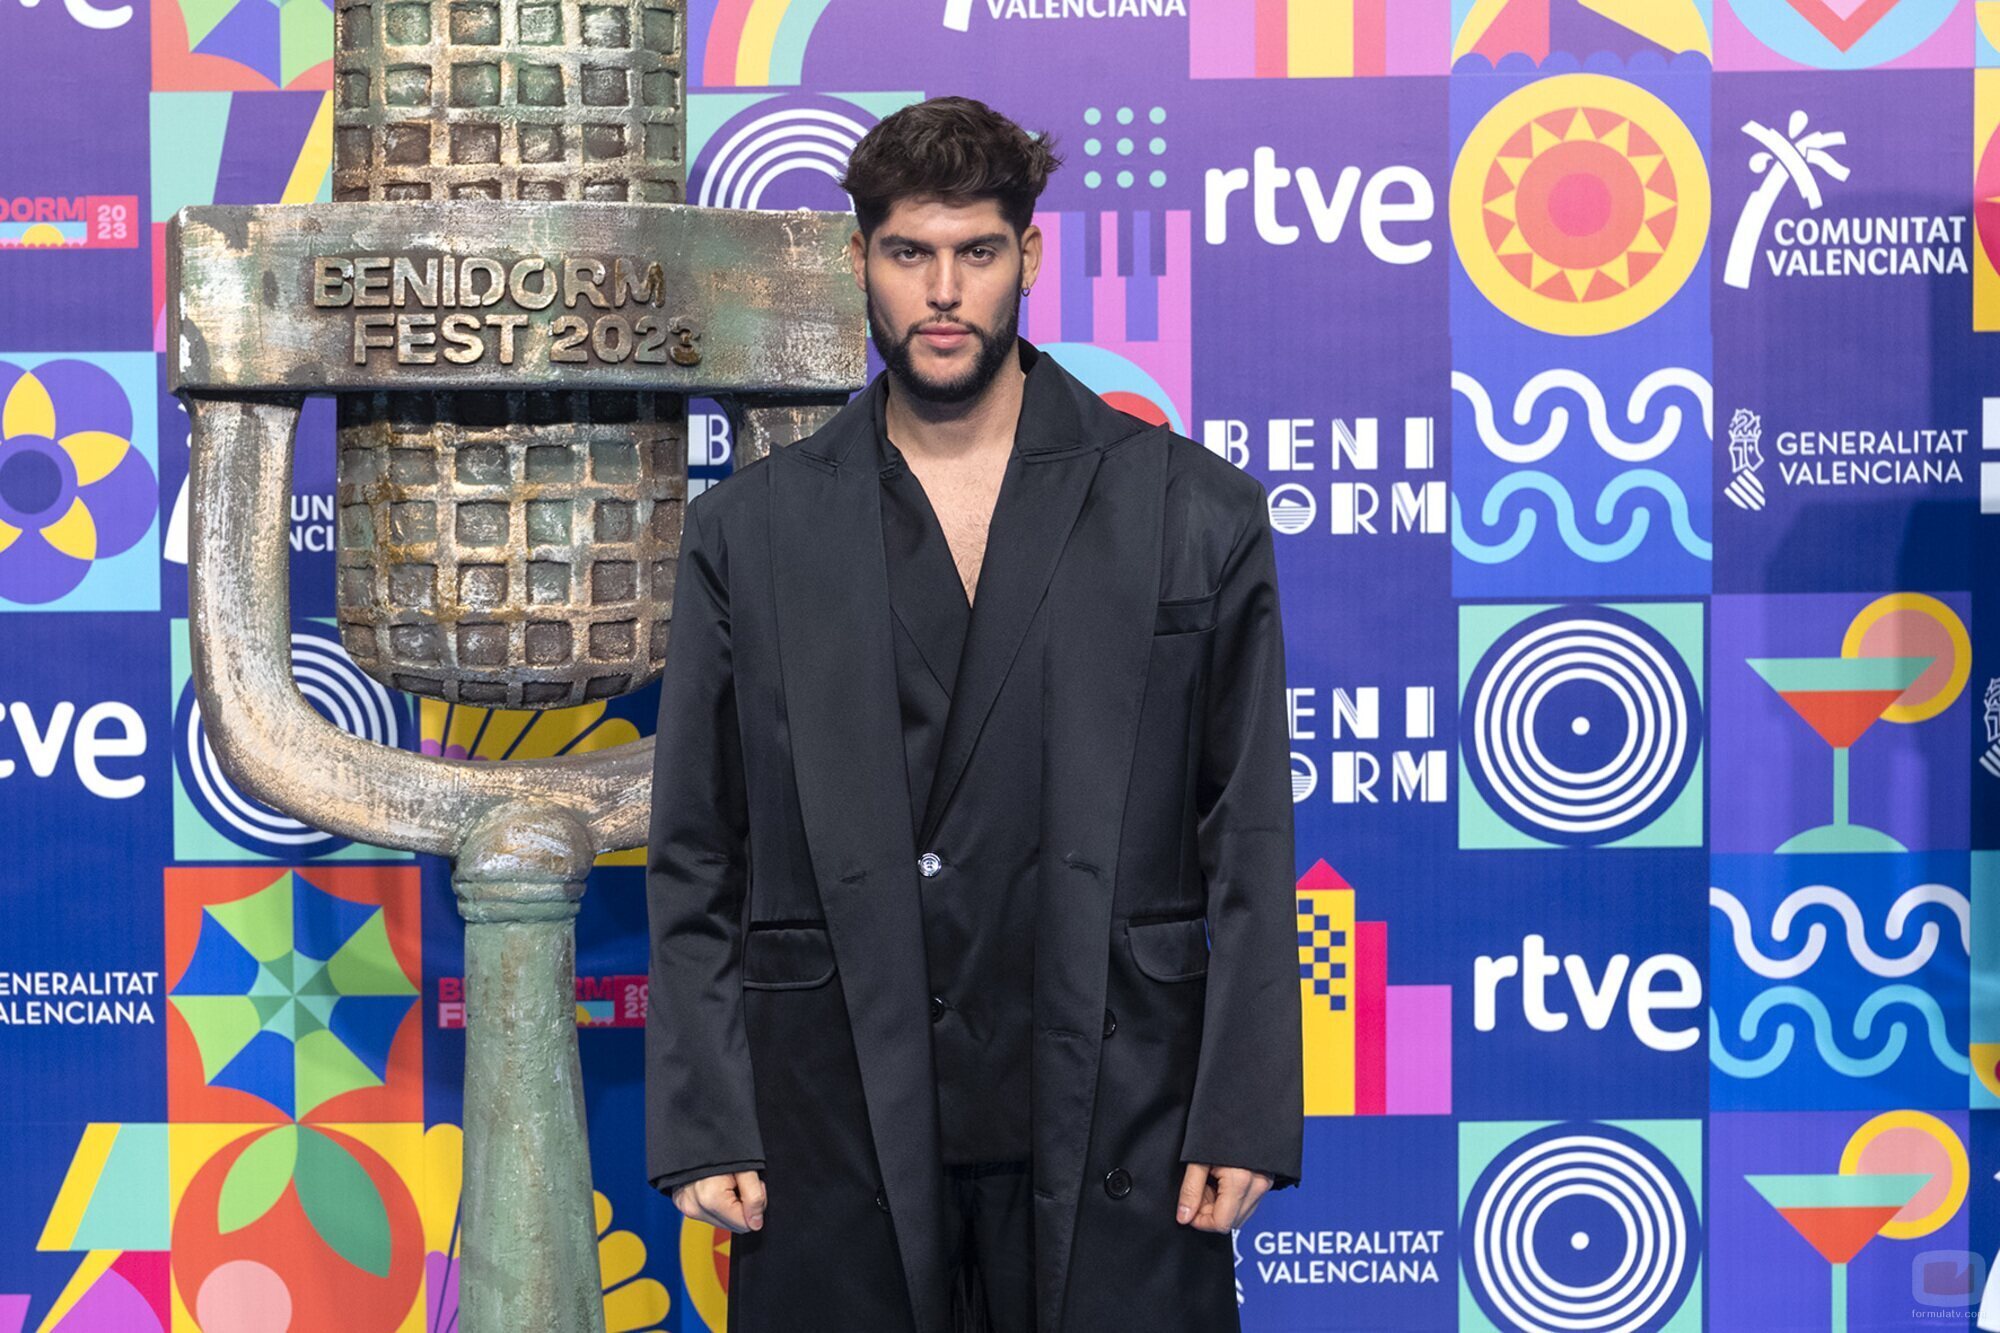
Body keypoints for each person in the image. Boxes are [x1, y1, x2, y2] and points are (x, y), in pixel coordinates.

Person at [644, 94, 1302, 1333]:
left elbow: (1248, 837)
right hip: (830, 1102)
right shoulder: (754, 530)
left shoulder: (1190, 510)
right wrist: (704, 1112)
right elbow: (693, 845)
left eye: (976, 253)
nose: (942, 292)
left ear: (1028, 259)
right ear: (860, 264)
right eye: (908, 254)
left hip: (1121, 1100)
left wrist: (1244, 1107)